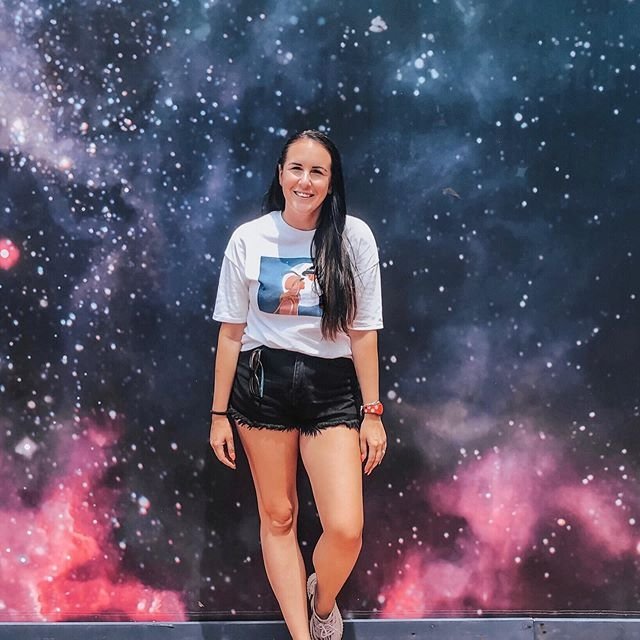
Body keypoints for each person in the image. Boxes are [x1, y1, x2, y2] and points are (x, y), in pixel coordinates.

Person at [209, 129, 386, 640]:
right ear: (281, 174)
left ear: (331, 182)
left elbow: (364, 333)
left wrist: (372, 413)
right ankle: (302, 636)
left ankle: (321, 601)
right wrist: (218, 414)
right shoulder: (249, 238)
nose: (305, 181)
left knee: (346, 529)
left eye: (317, 172)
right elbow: (230, 333)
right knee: (279, 517)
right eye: (296, 169)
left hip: (331, 390)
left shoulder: (353, 237)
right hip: (262, 386)